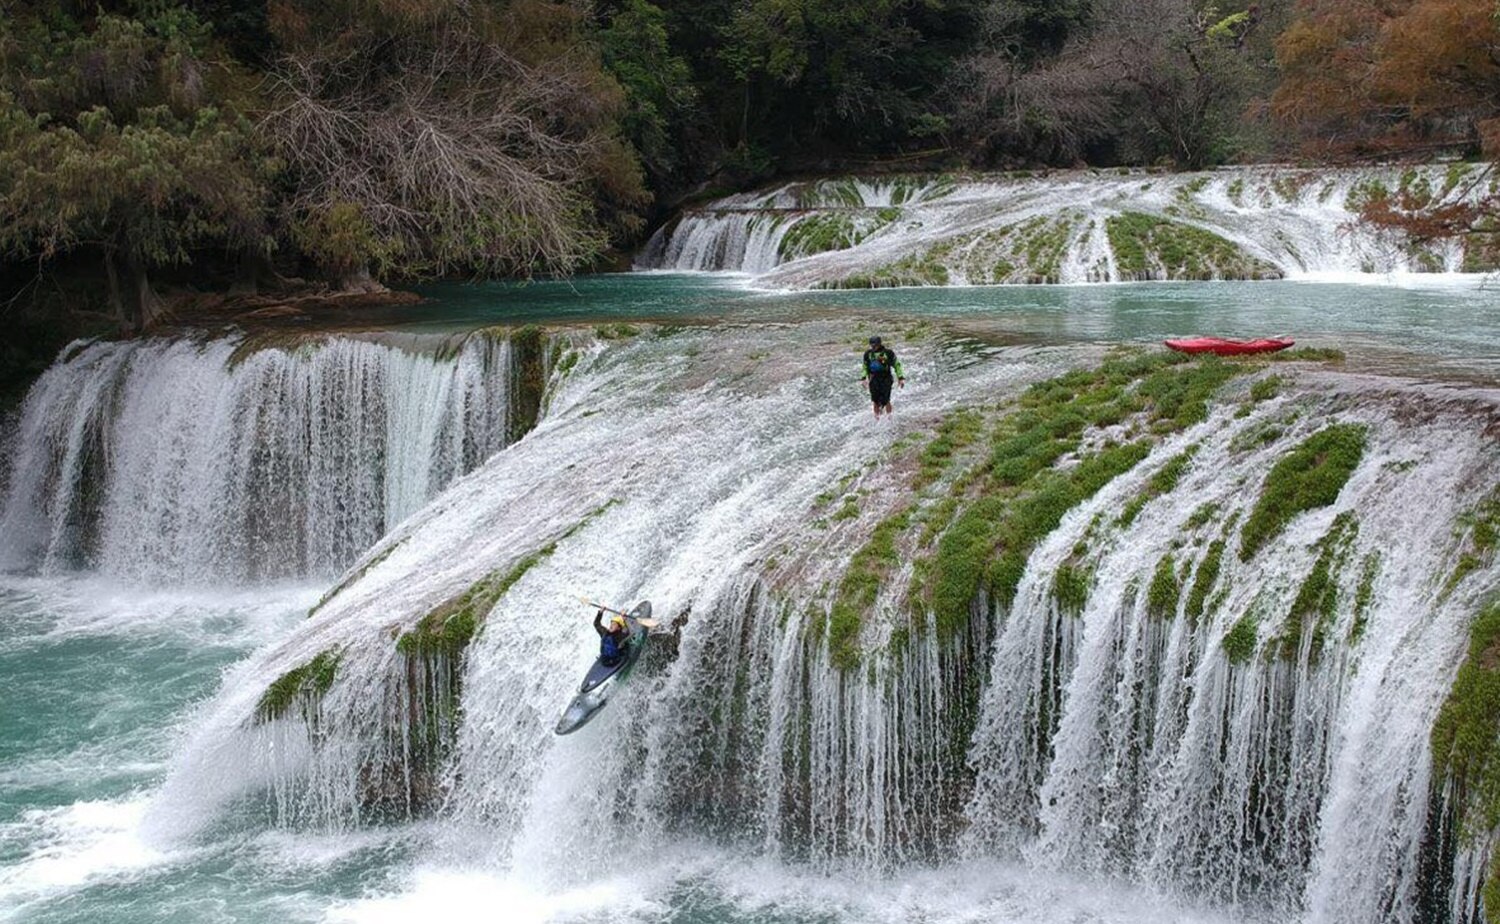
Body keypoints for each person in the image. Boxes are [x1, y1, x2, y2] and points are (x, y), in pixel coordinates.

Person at [861, 336, 905, 418]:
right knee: (875, 400)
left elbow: (896, 365)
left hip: (886, 378)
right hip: (873, 379)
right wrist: (863, 378)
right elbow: (865, 367)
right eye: (872, 346)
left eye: (875, 345)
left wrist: (900, 377)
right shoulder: (868, 354)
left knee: (886, 399)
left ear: (879, 344)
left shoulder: (888, 353)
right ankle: (877, 417)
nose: (873, 347)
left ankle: (889, 417)